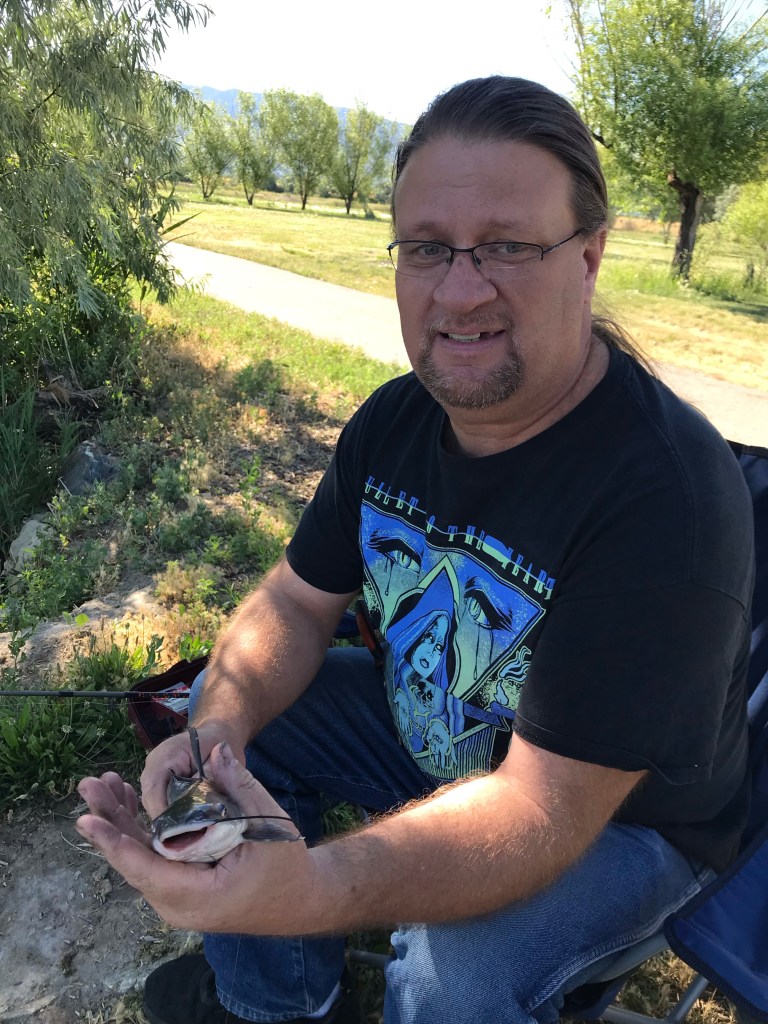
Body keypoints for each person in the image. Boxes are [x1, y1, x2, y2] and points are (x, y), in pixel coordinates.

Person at [76, 76, 755, 1024]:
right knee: (237, 714)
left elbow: (540, 812)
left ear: (590, 256)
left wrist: (312, 888)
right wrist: (210, 740)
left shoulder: (666, 499)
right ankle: (277, 1004)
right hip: (440, 735)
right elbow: (294, 604)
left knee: (449, 972)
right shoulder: (396, 420)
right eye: (428, 247)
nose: (460, 290)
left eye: (508, 246)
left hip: (622, 822)